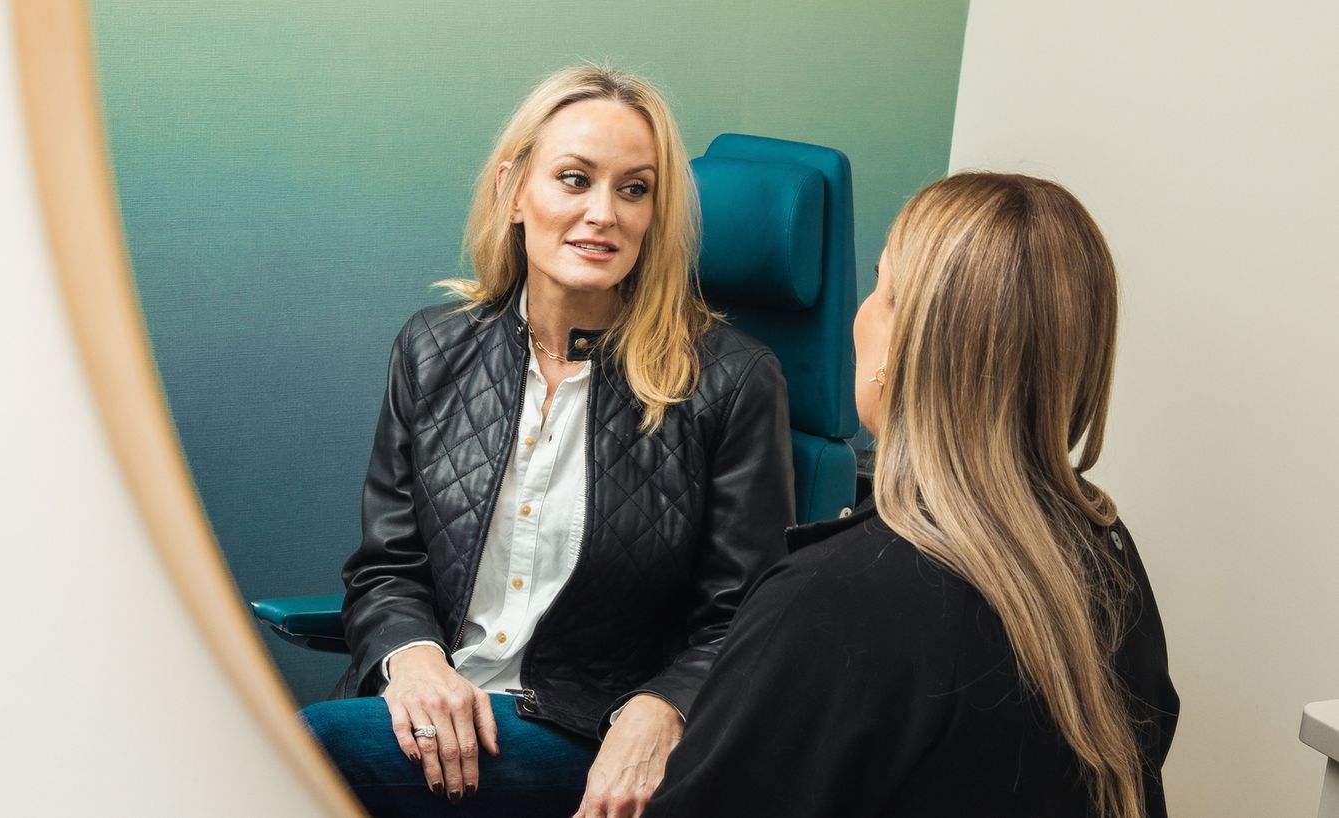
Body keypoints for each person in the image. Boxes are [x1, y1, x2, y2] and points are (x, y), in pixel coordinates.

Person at [300, 65, 795, 818]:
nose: (604, 213)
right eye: (574, 179)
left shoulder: (730, 380)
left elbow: (744, 619)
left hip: (584, 732)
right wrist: (414, 659)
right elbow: (386, 567)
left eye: (635, 189)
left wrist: (662, 708)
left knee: (305, 754)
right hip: (431, 706)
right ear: (513, 192)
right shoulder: (432, 351)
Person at [645, 173, 1180, 818]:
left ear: (912, 347)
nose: (861, 312)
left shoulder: (835, 599)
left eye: (882, 287)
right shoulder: (1109, 556)